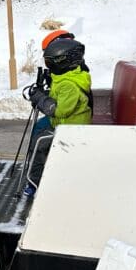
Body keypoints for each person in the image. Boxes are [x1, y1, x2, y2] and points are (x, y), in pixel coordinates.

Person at [22, 38, 92, 202]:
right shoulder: (65, 78)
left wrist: (41, 99)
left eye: (50, 63)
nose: (48, 66)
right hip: (64, 125)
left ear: (62, 62)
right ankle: (40, 171)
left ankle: (36, 182)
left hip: (70, 130)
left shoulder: (69, 84)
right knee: (39, 128)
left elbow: (60, 110)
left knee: (39, 142)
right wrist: (44, 94)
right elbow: (58, 99)